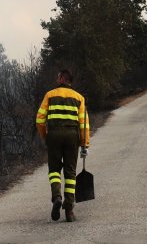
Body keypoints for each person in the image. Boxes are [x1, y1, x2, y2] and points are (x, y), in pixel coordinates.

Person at [35, 69, 90, 222]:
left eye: (57, 76)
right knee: (71, 173)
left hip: (53, 135)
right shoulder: (79, 98)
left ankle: (57, 197)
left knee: (54, 170)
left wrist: (45, 136)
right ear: (70, 81)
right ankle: (69, 211)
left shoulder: (50, 95)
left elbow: (39, 120)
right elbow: (83, 123)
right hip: (72, 136)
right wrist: (84, 144)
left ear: (61, 79)